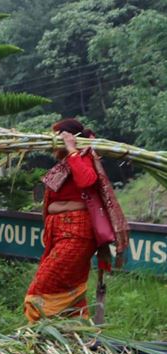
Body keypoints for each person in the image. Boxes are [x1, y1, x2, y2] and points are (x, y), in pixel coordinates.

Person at [24, 119, 129, 322]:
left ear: (69, 138)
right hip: (60, 233)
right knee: (69, 285)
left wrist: (72, 150)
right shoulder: (64, 164)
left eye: (57, 138)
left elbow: (87, 180)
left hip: (77, 234)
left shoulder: (83, 157)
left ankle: (40, 330)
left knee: (43, 286)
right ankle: (76, 335)